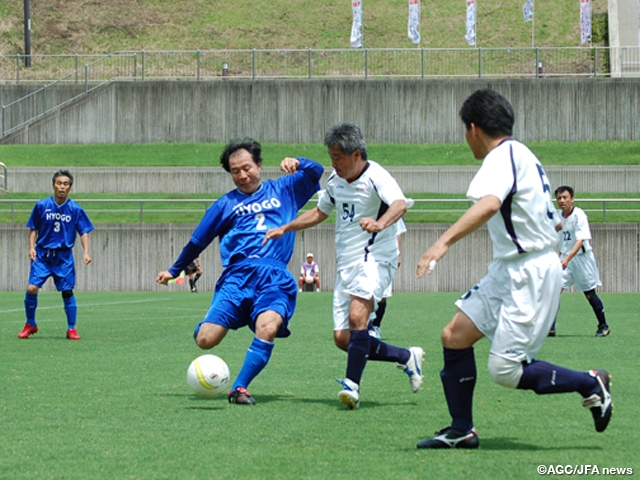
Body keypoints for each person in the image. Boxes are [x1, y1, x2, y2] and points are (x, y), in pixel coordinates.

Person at [415, 89, 612, 449]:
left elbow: (490, 204)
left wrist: (441, 243)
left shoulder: (501, 155)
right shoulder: (520, 153)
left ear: (473, 128)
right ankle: (462, 430)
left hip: (531, 272)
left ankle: (590, 383)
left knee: (505, 370)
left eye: (464, 130)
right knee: (454, 336)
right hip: (511, 267)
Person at [264, 122, 424, 410]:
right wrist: (285, 228)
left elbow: (399, 205)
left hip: (376, 256)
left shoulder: (377, 176)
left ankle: (352, 386)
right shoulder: (336, 182)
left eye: (338, 157)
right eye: (331, 157)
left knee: (357, 316)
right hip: (347, 263)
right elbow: (319, 211)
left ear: (357, 155)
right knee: (343, 339)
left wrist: (380, 224)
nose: (333, 163)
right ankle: (405, 356)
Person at [157, 138, 323, 405]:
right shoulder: (225, 205)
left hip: (274, 277)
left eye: (247, 168)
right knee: (205, 340)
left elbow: (317, 171)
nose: (243, 176)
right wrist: (173, 270)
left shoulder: (285, 188)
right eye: (235, 171)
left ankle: (239, 388)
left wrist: (298, 161)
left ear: (258, 165)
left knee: (267, 328)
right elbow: (198, 242)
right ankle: (222, 318)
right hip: (237, 277)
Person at [18, 170, 94, 340]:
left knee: (67, 291)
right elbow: (33, 228)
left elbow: (83, 232)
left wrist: (86, 252)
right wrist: (31, 248)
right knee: (31, 288)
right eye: (59, 183)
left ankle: (71, 328)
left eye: (65, 184)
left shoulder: (75, 209)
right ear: (53, 185)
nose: (62, 187)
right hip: (43, 255)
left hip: (63, 257)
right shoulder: (42, 205)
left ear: (70, 187)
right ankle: (30, 323)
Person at [548, 186, 609, 337]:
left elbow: (580, 240)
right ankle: (550, 328)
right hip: (564, 258)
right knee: (554, 291)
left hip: (582, 259)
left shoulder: (579, 215)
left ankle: (603, 326)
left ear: (572, 199)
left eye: (565, 197)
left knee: (589, 294)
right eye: (559, 198)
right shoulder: (557, 216)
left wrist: (567, 259)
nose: (562, 201)